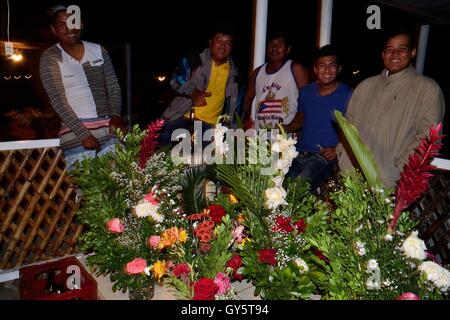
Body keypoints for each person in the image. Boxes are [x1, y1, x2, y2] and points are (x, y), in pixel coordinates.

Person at [337, 27, 445, 188]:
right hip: (351, 178)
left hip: (390, 183)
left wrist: (398, 172)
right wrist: (343, 156)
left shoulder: (427, 89)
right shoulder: (366, 86)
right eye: (389, 50)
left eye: (402, 49)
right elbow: (347, 127)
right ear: (383, 55)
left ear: (413, 53)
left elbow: (427, 139)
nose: (395, 55)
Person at [39, 5, 126, 170]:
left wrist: (116, 116)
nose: (69, 27)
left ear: (81, 24)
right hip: (75, 132)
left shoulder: (98, 50)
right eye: (61, 24)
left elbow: (113, 86)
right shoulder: (49, 57)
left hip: (109, 128)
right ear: (53, 30)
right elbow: (56, 99)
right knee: (87, 190)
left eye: (73, 21)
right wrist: (83, 134)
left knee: (119, 184)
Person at [284, 45, 352, 192]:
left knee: (297, 190)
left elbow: (355, 128)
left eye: (332, 65)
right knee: (280, 187)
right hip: (299, 152)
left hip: (323, 157)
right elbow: (301, 117)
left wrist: (337, 148)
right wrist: (285, 128)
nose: (327, 70)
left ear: (339, 69)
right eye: (322, 66)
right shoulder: (306, 92)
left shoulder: (349, 95)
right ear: (315, 69)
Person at [159, 23, 240, 147]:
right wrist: (193, 92)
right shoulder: (196, 58)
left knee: (205, 163)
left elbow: (233, 106)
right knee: (159, 151)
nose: (223, 46)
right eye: (218, 40)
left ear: (232, 47)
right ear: (210, 42)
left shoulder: (234, 72)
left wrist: (230, 129)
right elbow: (175, 79)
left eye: (228, 42)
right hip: (181, 116)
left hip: (210, 125)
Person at [242, 32, 309, 130]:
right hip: (260, 135)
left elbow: (307, 102)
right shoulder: (257, 72)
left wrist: (292, 127)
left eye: (279, 45)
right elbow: (246, 102)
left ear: (288, 49)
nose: (274, 48)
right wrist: (243, 125)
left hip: (287, 135)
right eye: (271, 45)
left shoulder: (295, 69)